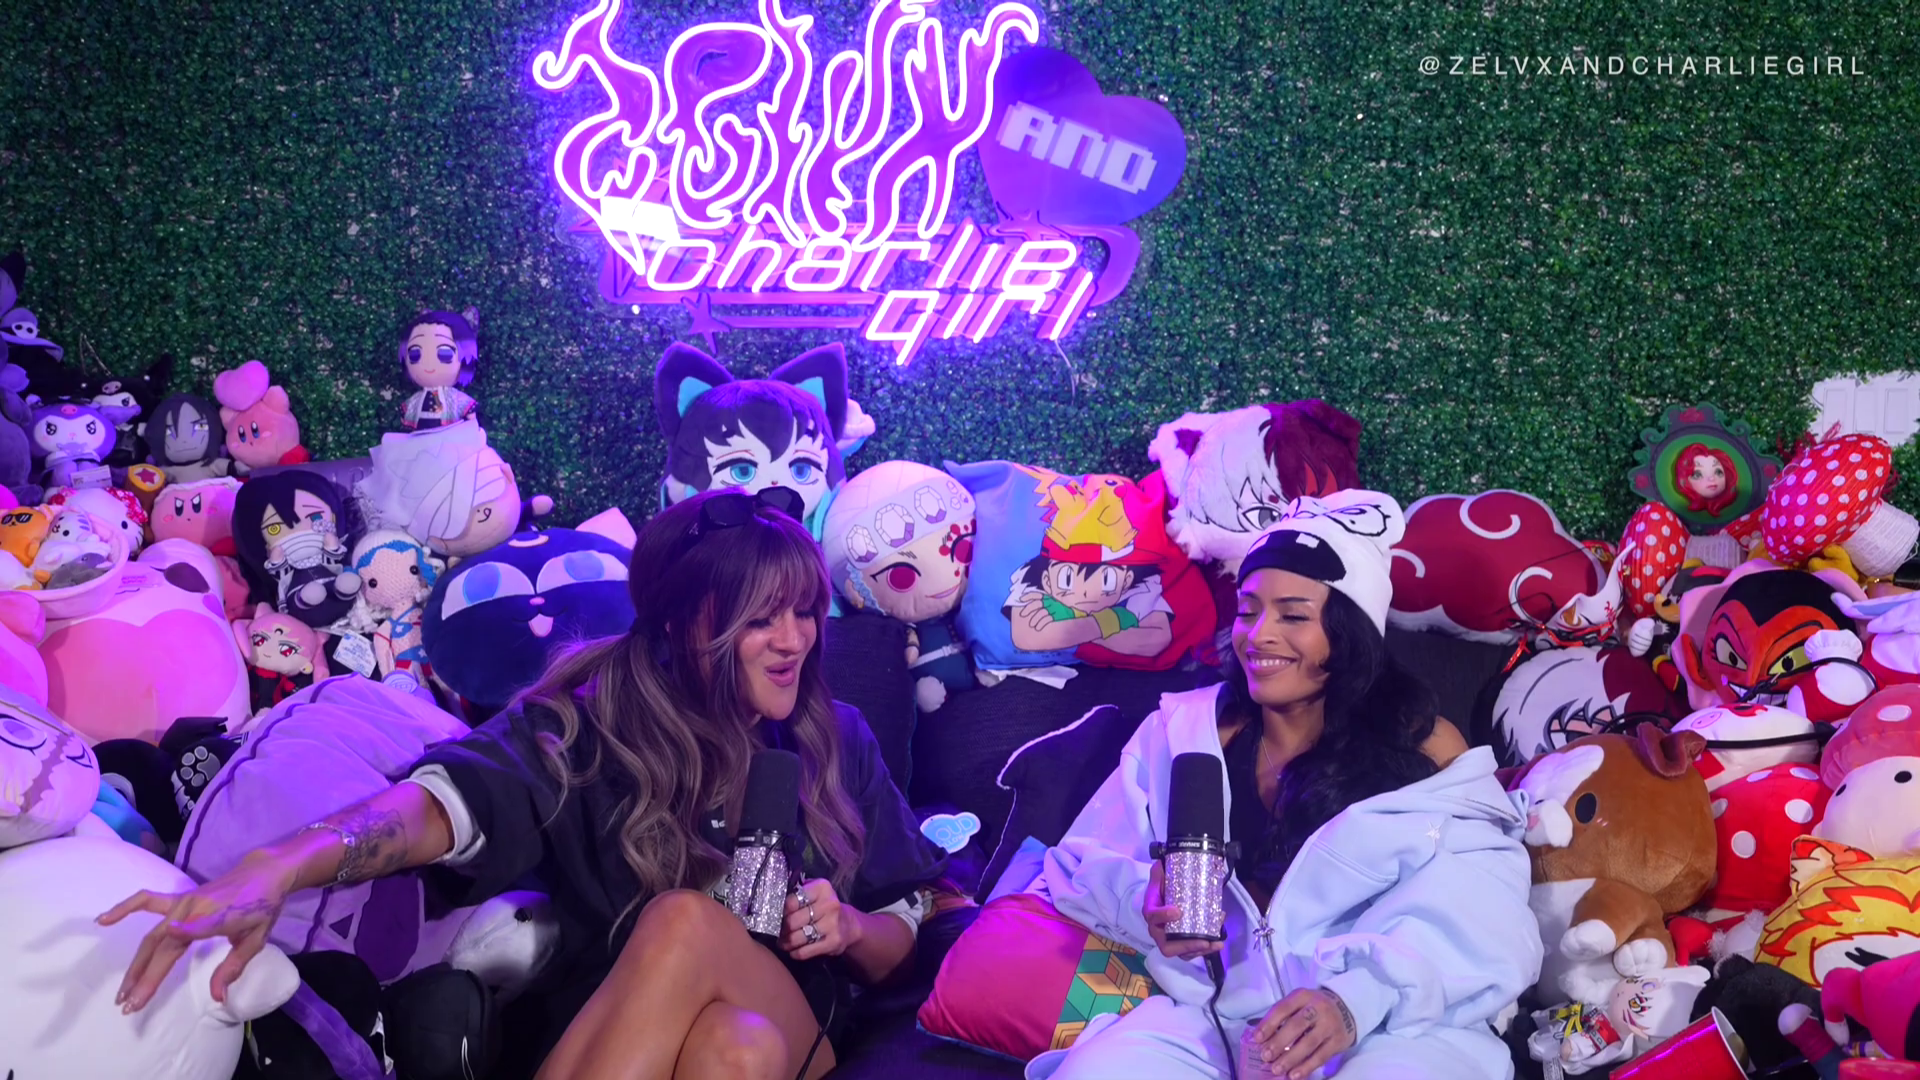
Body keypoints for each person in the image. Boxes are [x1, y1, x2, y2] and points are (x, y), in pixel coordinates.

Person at [99, 487, 948, 1080]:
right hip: (635, 1032)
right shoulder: (586, 725)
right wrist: (278, 866)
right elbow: (442, 806)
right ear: (680, 625)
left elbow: (905, 935)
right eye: (760, 619)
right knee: (734, 1053)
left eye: (803, 611)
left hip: (804, 1019)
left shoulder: (835, 737)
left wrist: (848, 928)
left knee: (686, 921)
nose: (793, 639)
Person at [1028, 490, 1542, 1080]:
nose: (1259, 635)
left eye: (1293, 616)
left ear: (1349, 632)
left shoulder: (1423, 746)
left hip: (1385, 1023)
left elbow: (1486, 903)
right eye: (1248, 611)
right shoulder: (1181, 734)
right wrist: (1144, 898)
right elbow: (1079, 865)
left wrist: (1357, 997)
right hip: (1212, 1021)